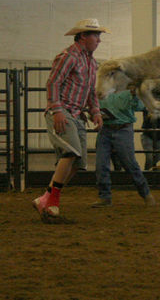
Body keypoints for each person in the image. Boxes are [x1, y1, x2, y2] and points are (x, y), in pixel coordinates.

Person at [32, 19, 106, 222]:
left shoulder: (91, 62)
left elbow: (91, 91)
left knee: (78, 163)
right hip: (63, 111)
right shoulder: (68, 57)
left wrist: (95, 111)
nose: (99, 40)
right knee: (71, 152)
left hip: (76, 115)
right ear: (83, 36)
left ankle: (46, 198)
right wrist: (57, 110)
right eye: (96, 35)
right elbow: (53, 83)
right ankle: (52, 201)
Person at [92, 88, 155, 208]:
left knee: (130, 164)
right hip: (109, 128)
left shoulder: (128, 89)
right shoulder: (103, 89)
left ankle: (145, 193)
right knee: (101, 165)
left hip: (121, 129)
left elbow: (140, 106)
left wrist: (135, 96)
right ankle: (105, 196)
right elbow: (94, 106)